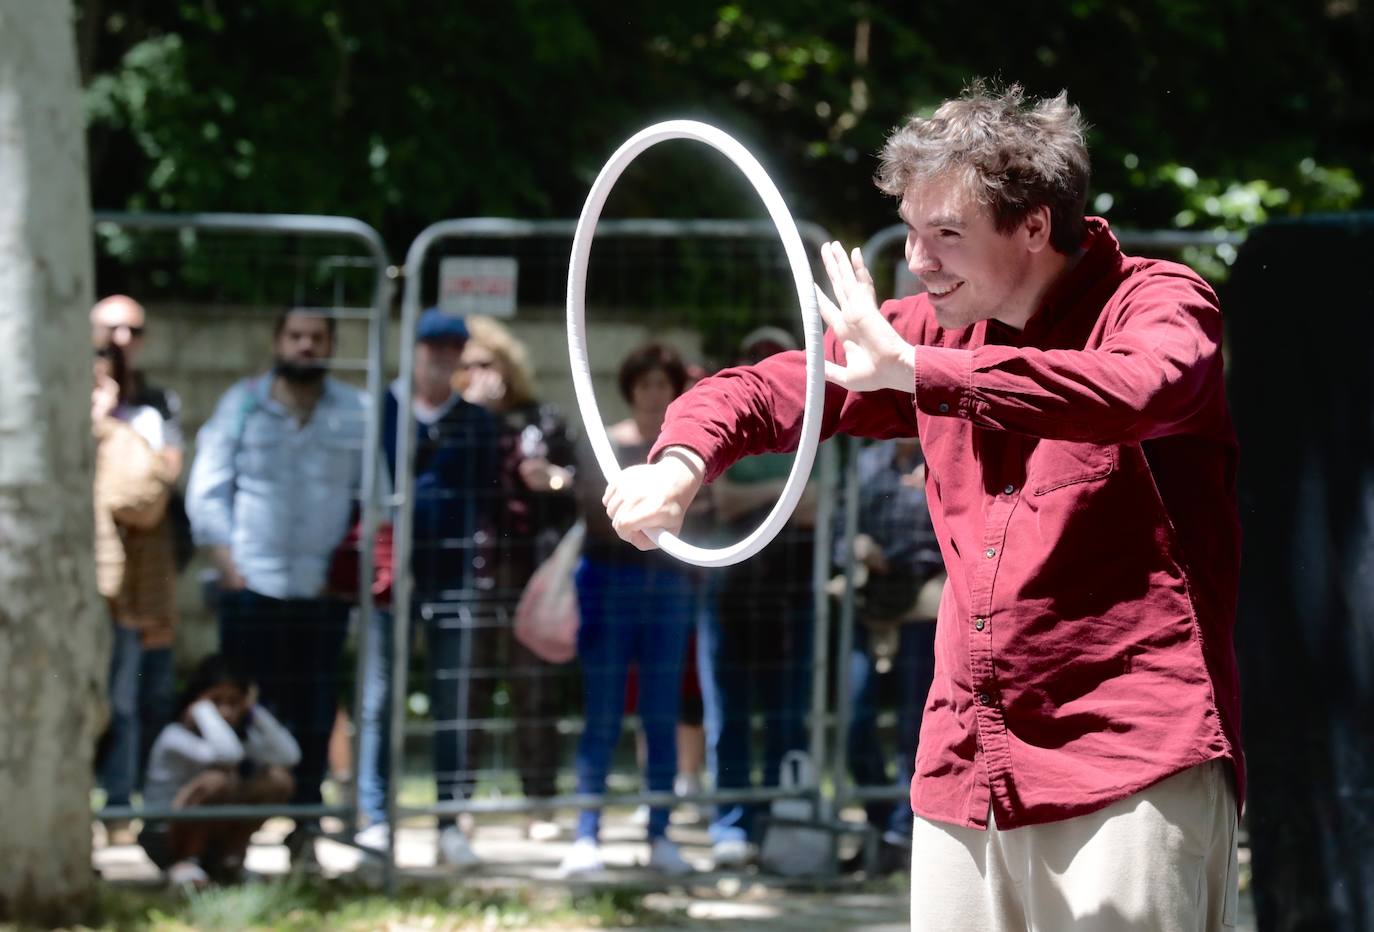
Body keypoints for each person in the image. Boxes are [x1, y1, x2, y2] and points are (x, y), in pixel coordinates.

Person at [603, 82, 1242, 929]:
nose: (919, 261)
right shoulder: (932, 330)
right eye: (911, 231)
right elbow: (773, 387)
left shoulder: (1159, 301)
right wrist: (682, 461)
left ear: (1034, 227)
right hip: (964, 771)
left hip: (1126, 760)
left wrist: (918, 374)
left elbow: (1131, 391)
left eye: (947, 235)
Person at [184, 307, 368, 865]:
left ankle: (305, 832)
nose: (306, 346)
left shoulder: (355, 411)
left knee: (314, 714)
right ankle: (230, 840)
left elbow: (375, 497)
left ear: (331, 345)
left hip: (320, 595)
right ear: (277, 340)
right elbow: (207, 490)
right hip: (252, 590)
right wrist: (228, 563)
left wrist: (350, 571)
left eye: (317, 337)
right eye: (296, 336)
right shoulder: (241, 406)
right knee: (244, 714)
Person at [354, 309, 501, 868]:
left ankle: (449, 821)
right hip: (389, 578)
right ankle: (374, 818)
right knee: (378, 699)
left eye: (451, 347)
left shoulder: (476, 421)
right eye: (431, 346)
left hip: (452, 576)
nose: (440, 356)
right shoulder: (380, 410)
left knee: (451, 701)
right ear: (412, 349)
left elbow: (490, 494)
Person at [560, 343, 699, 877]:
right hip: (608, 582)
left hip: (666, 585)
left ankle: (660, 833)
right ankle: (586, 832)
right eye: (644, 386)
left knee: (660, 710)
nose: (652, 395)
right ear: (630, 390)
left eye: (662, 385)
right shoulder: (603, 442)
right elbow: (595, 515)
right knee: (603, 707)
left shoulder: (683, 450)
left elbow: (699, 509)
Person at [697, 327, 817, 868]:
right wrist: (784, 495)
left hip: (792, 593)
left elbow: (821, 505)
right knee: (731, 715)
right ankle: (731, 825)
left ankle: (775, 823)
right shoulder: (729, 419)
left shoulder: (817, 421)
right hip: (732, 593)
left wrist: (757, 498)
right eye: (755, 359)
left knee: (787, 713)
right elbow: (723, 501)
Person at [457, 315, 578, 841]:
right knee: (468, 691)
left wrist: (555, 480)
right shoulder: (458, 421)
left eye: (487, 363)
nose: (479, 374)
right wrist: (473, 419)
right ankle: (456, 803)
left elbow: (583, 482)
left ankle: (539, 804)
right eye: (468, 367)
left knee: (534, 692)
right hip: (474, 570)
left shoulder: (543, 420)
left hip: (531, 570)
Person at [836, 437, 944, 874]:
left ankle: (904, 833)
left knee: (913, 728)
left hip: (926, 602)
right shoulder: (865, 465)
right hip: (871, 605)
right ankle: (882, 827)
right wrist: (859, 549)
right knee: (853, 723)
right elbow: (839, 532)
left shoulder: (942, 456)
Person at [91, 344, 180, 844]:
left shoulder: (135, 424)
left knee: (121, 703)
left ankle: (119, 808)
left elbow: (141, 497)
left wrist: (104, 427)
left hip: (119, 591)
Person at [139, 654, 300, 889]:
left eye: (234, 702)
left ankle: (230, 860)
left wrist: (253, 711)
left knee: (278, 780)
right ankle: (186, 862)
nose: (225, 711)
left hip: (214, 835)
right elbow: (227, 755)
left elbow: (289, 756)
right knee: (219, 780)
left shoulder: (239, 737)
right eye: (216, 701)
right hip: (166, 836)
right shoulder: (174, 735)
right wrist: (204, 711)